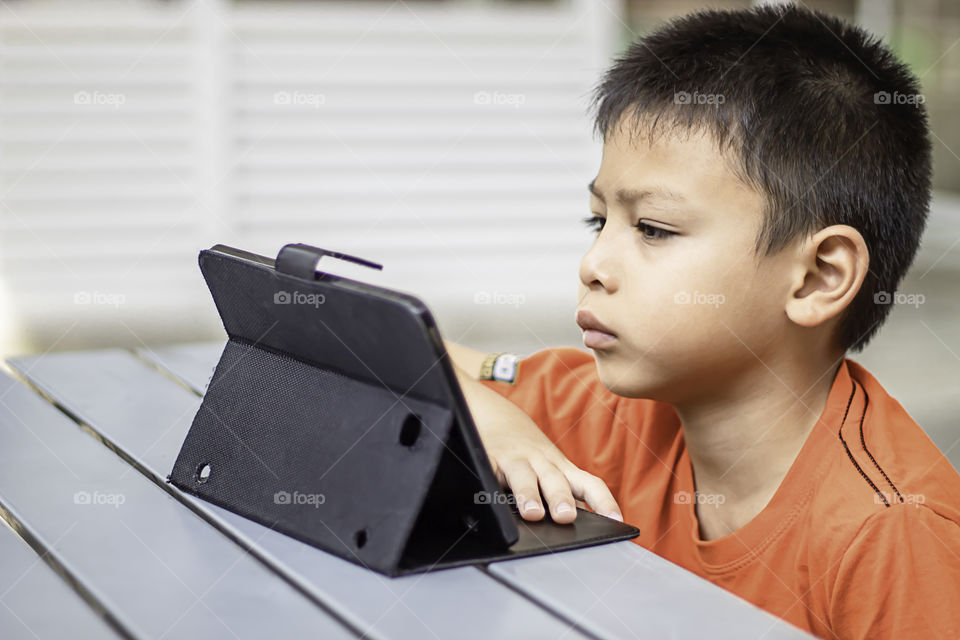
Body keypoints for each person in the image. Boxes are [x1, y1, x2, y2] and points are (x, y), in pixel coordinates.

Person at [444, 4, 960, 638]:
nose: (593, 263)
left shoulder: (892, 536)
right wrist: (495, 421)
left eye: (653, 228)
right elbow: (390, 345)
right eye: (597, 220)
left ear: (819, 276)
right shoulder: (603, 414)